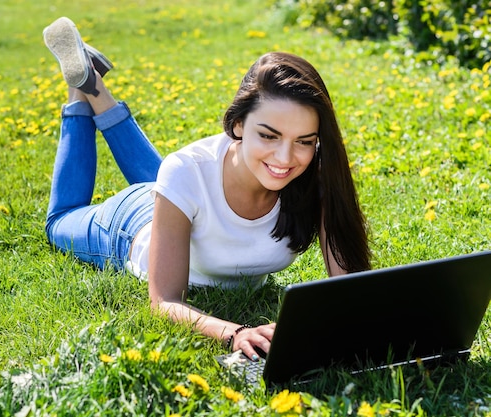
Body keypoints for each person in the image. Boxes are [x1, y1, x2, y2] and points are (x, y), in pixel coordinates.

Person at [42, 17, 371, 362]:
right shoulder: (188, 170)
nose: (286, 158)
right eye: (269, 136)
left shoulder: (315, 177)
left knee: (173, 178)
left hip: (183, 199)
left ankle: (90, 80)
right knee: (61, 221)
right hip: (130, 228)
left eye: (304, 141)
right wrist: (236, 333)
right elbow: (164, 301)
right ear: (239, 124)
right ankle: (81, 91)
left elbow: (346, 291)